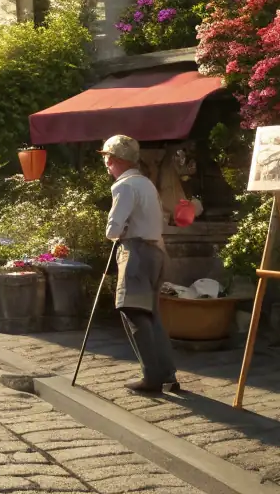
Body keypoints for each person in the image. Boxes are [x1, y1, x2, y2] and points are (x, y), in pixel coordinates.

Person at [103, 134, 180, 395]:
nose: (107, 165)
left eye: (108, 160)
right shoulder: (146, 183)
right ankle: (167, 373)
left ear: (113, 160)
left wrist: (115, 231)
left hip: (136, 251)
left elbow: (113, 229)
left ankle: (152, 376)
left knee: (133, 311)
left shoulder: (123, 186)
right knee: (149, 313)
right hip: (156, 251)